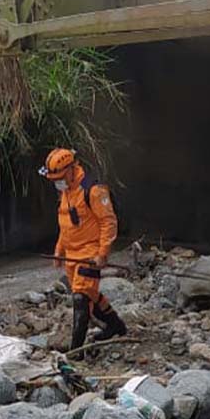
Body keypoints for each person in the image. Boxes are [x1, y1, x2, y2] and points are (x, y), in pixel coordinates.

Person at [42, 147, 128, 351]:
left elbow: (108, 222)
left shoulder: (93, 190)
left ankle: (75, 351)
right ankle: (116, 325)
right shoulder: (66, 192)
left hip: (89, 254)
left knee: (80, 299)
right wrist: (59, 249)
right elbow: (66, 223)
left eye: (61, 177)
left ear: (72, 169)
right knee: (91, 296)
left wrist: (103, 252)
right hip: (72, 256)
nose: (58, 182)